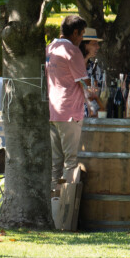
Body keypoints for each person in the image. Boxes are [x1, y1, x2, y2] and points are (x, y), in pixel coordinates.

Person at [46, 14, 91, 193]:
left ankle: (53, 206)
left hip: (53, 110)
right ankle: (67, 208)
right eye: (81, 35)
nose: (81, 39)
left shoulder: (50, 47)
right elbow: (84, 81)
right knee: (72, 161)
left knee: (56, 163)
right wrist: (95, 94)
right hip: (69, 111)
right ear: (74, 32)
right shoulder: (72, 50)